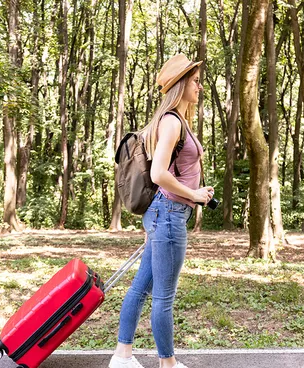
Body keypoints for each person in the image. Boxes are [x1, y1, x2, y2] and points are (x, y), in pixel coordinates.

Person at [109, 54, 214, 368]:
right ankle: (167, 365)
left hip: (163, 213)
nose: (199, 86)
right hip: (168, 215)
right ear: (181, 85)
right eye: (195, 81)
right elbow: (158, 175)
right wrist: (193, 194)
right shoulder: (170, 121)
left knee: (142, 286)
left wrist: (198, 193)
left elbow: (174, 171)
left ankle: (122, 357)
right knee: (163, 295)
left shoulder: (176, 121)